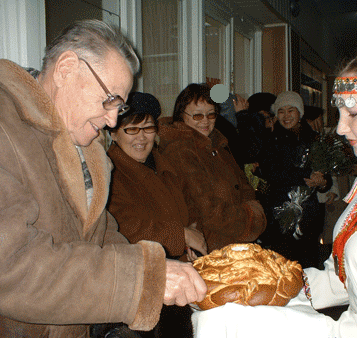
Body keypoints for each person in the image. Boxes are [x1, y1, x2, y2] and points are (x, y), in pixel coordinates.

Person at [192, 42, 357, 338]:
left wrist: (259, 322)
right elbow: (342, 280)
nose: (340, 128)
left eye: (353, 114)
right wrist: (265, 283)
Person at [0, 19, 206, 337]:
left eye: (118, 107)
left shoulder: (82, 147)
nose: (112, 121)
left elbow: (100, 233)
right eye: (109, 100)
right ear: (66, 69)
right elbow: (10, 268)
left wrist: (157, 271)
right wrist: (144, 278)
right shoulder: (2, 128)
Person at [106, 91, 207, 337]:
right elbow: (125, 228)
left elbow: (189, 205)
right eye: (132, 129)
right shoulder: (110, 174)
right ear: (113, 133)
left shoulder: (162, 164)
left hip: (181, 283)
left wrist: (193, 230)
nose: (141, 137)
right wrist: (182, 235)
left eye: (148, 128)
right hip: (146, 290)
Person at [158, 83, 267, 253]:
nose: (205, 121)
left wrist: (251, 206)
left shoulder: (217, 143)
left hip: (231, 243)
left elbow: (243, 184)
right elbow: (209, 211)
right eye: (197, 116)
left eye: (211, 115)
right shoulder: (180, 150)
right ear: (181, 115)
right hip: (209, 247)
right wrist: (252, 219)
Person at [255, 91, 332, 268]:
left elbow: (325, 177)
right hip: (280, 214)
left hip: (309, 215)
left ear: (300, 112)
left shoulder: (314, 139)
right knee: (283, 266)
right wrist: (305, 177)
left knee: (310, 266)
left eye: (291, 110)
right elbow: (271, 172)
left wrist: (323, 182)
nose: (286, 116)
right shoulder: (271, 139)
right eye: (281, 111)